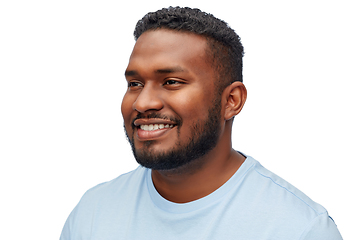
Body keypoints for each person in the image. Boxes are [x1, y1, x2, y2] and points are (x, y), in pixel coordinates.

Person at [60, 6, 342, 239]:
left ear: (231, 100)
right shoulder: (92, 214)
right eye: (135, 83)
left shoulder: (300, 229)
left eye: (171, 82)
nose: (142, 103)